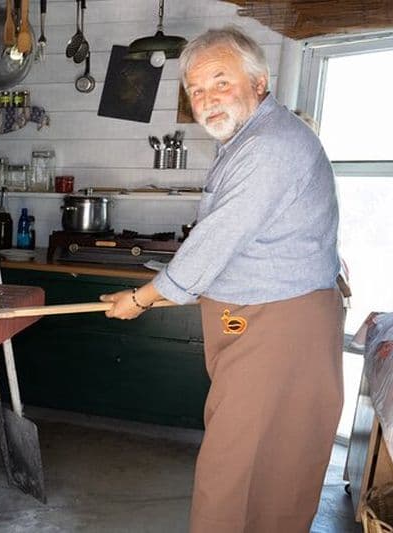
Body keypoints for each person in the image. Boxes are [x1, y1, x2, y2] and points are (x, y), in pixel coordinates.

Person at [100, 27, 344, 532]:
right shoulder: (244, 142)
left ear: (259, 82)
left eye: (220, 82)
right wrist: (152, 295)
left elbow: (215, 242)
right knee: (266, 464)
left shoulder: (268, 146)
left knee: (237, 469)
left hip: (279, 329)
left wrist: (141, 300)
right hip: (262, 322)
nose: (207, 98)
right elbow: (231, 249)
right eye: (196, 90)